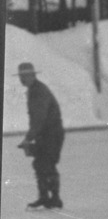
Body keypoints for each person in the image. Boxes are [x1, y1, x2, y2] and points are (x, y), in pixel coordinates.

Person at [18, 62, 64, 210]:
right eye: (21, 76)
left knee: (46, 164)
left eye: (25, 76)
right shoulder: (34, 89)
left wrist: (28, 138)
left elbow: (39, 118)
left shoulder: (39, 91)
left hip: (51, 134)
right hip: (45, 134)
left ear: (33, 76)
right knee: (40, 164)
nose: (22, 79)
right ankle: (44, 197)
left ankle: (55, 199)